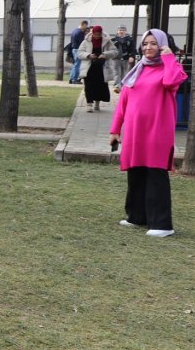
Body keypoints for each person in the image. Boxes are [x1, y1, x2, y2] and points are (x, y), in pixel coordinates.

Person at [110, 28, 187, 237]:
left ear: (162, 45)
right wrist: (115, 129)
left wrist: (169, 57)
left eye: (154, 43)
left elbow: (171, 82)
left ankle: (162, 225)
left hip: (157, 131)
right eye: (145, 44)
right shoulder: (137, 69)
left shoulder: (171, 69)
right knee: (136, 173)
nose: (148, 47)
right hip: (135, 132)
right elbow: (123, 102)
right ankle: (137, 217)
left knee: (155, 174)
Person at [77, 24, 117, 113]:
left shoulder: (107, 41)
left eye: (99, 34)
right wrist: (88, 55)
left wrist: (105, 54)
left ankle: (97, 103)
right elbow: (79, 53)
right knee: (89, 86)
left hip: (101, 67)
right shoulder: (86, 41)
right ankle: (89, 104)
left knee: (100, 86)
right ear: (92, 33)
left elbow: (115, 51)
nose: (97, 36)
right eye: (95, 34)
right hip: (89, 67)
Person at [111, 24, 136, 89]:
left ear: (125, 31)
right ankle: (117, 86)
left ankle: (123, 85)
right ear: (117, 31)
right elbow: (110, 49)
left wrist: (132, 56)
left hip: (126, 58)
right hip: (116, 58)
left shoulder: (130, 39)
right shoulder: (113, 40)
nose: (121, 31)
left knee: (124, 72)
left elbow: (133, 49)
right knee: (116, 72)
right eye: (120, 30)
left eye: (123, 30)